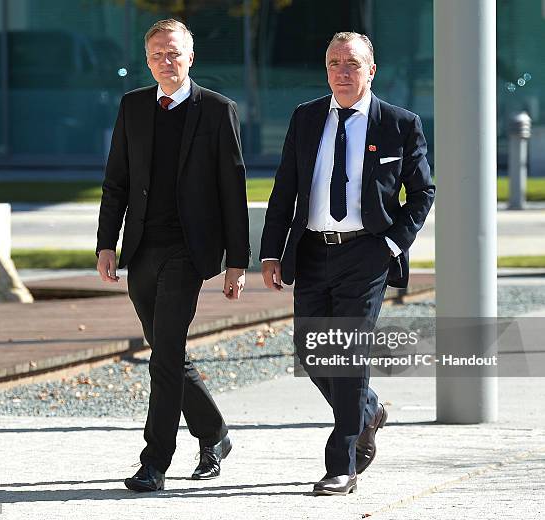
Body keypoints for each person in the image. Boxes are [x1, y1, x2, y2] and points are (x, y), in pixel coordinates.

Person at [260, 32, 434, 495]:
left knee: (349, 355)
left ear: (371, 70)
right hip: (313, 250)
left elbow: (422, 192)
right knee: (313, 352)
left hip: (368, 254)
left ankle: (343, 464)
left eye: (352, 64)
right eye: (334, 63)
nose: (342, 72)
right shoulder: (306, 117)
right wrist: (271, 250)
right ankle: (369, 410)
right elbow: (285, 188)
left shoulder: (399, 123)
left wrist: (392, 245)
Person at [96, 19, 250, 493]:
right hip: (142, 248)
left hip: (189, 250)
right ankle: (215, 433)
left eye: (175, 53)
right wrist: (107, 242)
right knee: (168, 353)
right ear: (148, 60)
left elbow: (233, 188)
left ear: (191, 57)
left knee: (163, 356)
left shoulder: (217, 110)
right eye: (159, 54)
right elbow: (116, 180)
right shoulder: (133, 106)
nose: (167, 61)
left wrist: (237, 261)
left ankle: (154, 462)